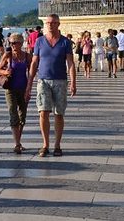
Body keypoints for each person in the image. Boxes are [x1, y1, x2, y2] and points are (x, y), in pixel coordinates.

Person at [26, 13, 76, 157]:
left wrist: (73, 82)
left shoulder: (65, 42)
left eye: (53, 23)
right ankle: (45, 144)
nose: (50, 25)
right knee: (43, 112)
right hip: (43, 81)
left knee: (59, 114)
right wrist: (30, 83)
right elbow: (34, 63)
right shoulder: (40, 41)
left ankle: (57, 145)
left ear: (58, 24)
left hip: (60, 80)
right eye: (48, 23)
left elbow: (70, 64)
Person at [0, 33, 31, 154]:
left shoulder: (27, 56)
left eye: (14, 43)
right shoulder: (8, 55)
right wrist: (5, 72)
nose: (12, 45)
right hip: (10, 89)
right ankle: (17, 143)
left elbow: (32, 72)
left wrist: (29, 88)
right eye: (10, 43)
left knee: (22, 116)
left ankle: (18, 141)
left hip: (23, 88)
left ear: (21, 43)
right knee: (13, 114)